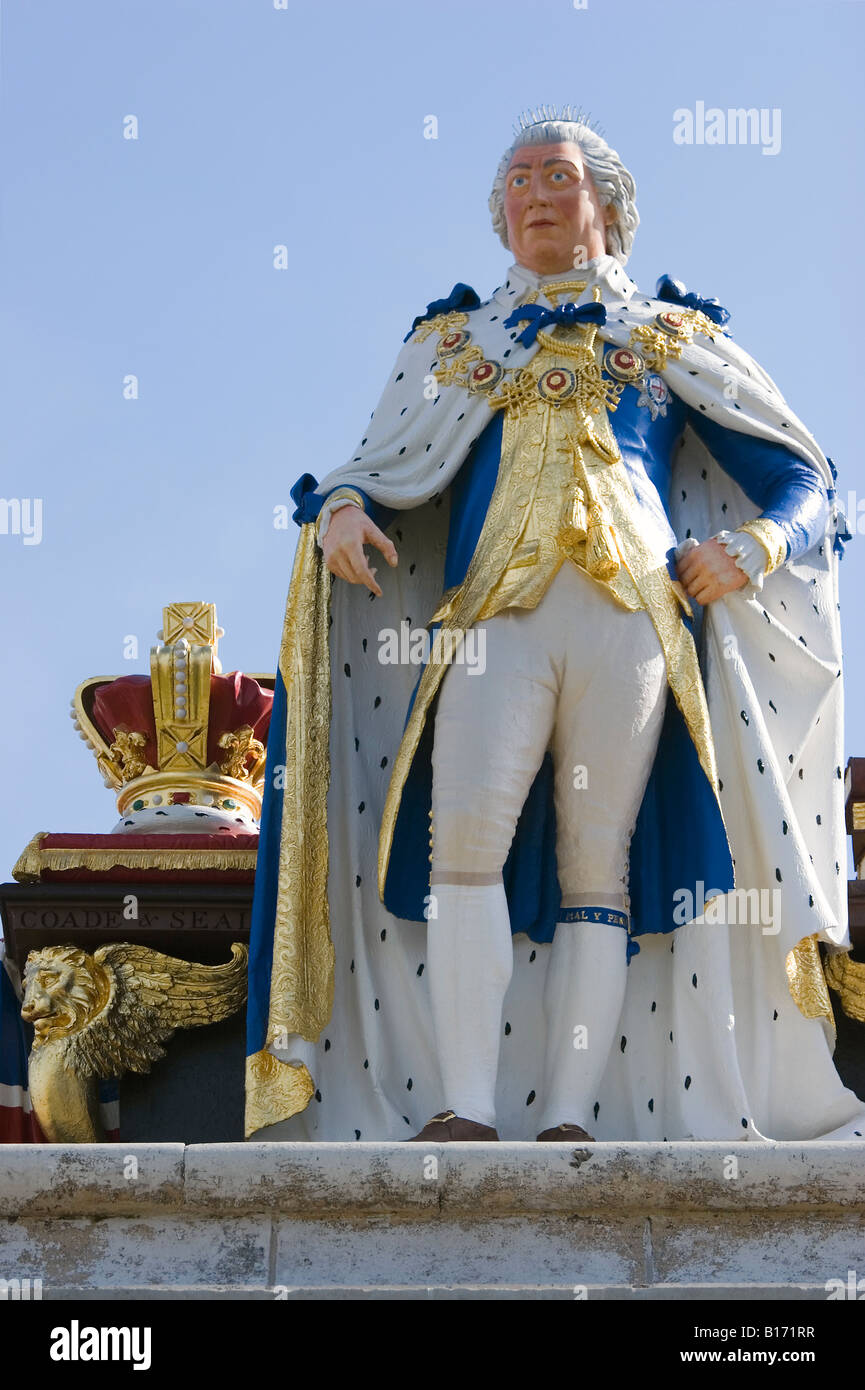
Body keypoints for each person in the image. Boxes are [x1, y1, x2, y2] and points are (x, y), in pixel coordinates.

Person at [245, 108, 864, 1145]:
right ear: (499, 217)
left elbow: (801, 474)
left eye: (559, 175)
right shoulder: (454, 343)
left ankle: (571, 1116)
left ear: (608, 210)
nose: (535, 192)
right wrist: (343, 510)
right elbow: (378, 463)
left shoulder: (670, 336)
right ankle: (466, 1104)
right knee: (463, 849)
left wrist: (751, 549)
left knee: (598, 862)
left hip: (633, 613)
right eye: (519, 179)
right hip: (493, 614)